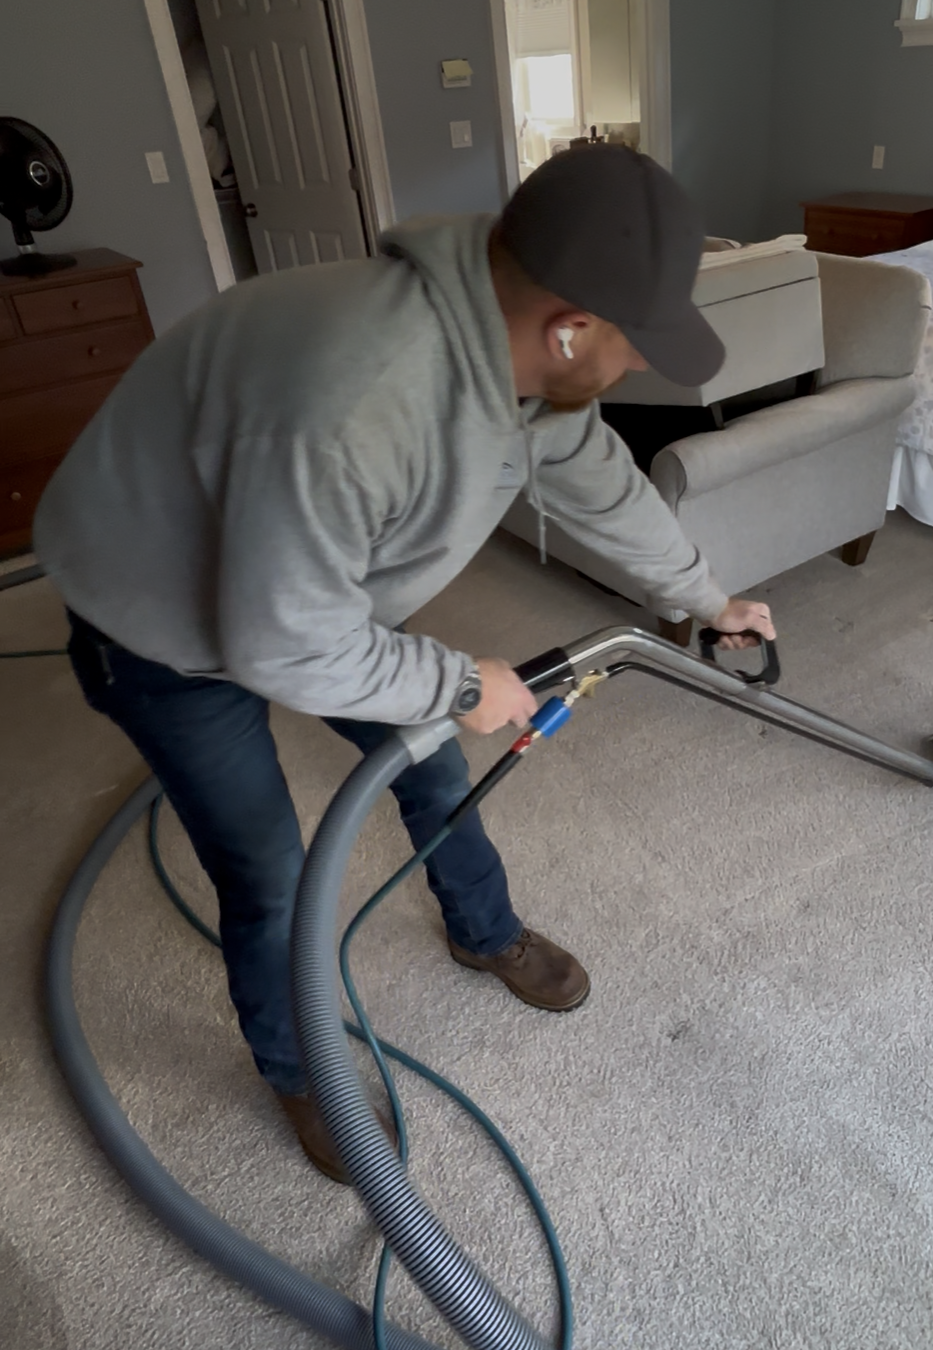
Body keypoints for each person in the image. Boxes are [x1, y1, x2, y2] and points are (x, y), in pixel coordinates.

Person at [34, 146, 775, 1182]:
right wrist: (460, 683)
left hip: (306, 592)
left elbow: (597, 478)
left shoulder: (521, 355)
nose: (643, 365)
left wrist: (705, 597)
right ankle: (301, 1072)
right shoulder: (359, 397)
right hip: (157, 621)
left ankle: (484, 930)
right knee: (269, 871)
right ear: (569, 327)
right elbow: (281, 643)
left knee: (430, 763)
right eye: (635, 343)